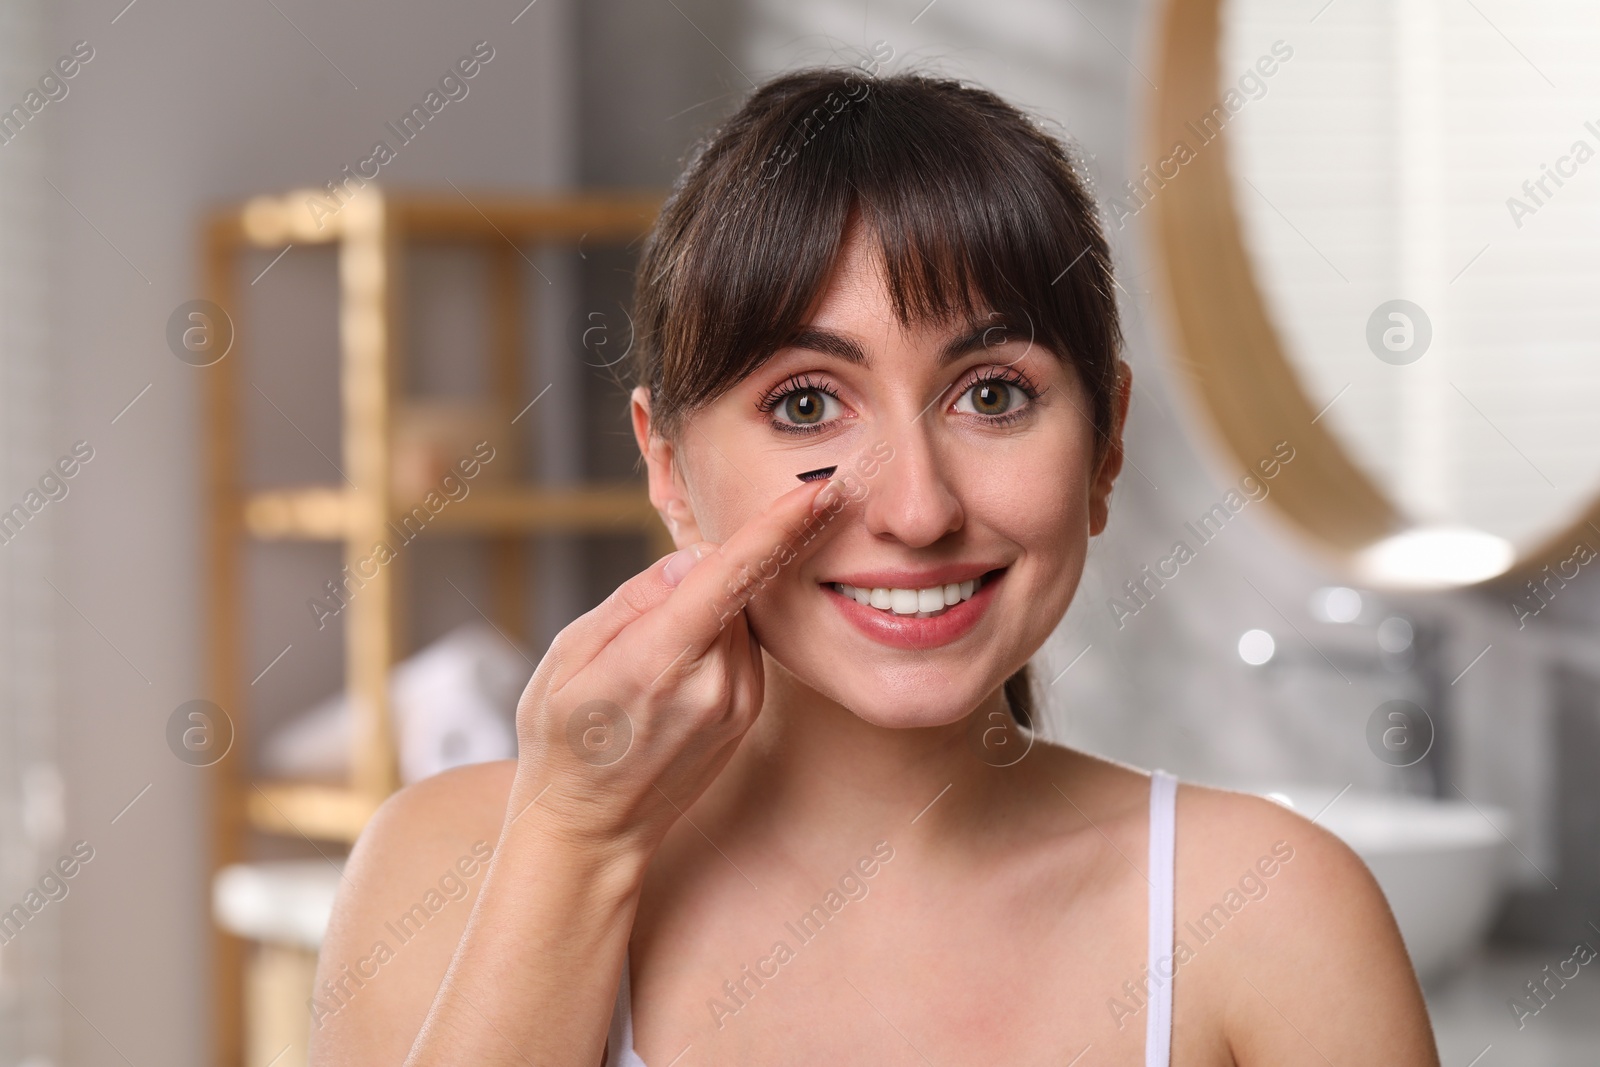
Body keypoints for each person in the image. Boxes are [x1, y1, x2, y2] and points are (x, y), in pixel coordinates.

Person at [309, 65, 1439, 1066]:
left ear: (1105, 446)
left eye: (991, 393)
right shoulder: (447, 870)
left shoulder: (1268, 915)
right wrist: (574, 843)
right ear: (668, 468)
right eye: (806, 403)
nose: (917, 506)